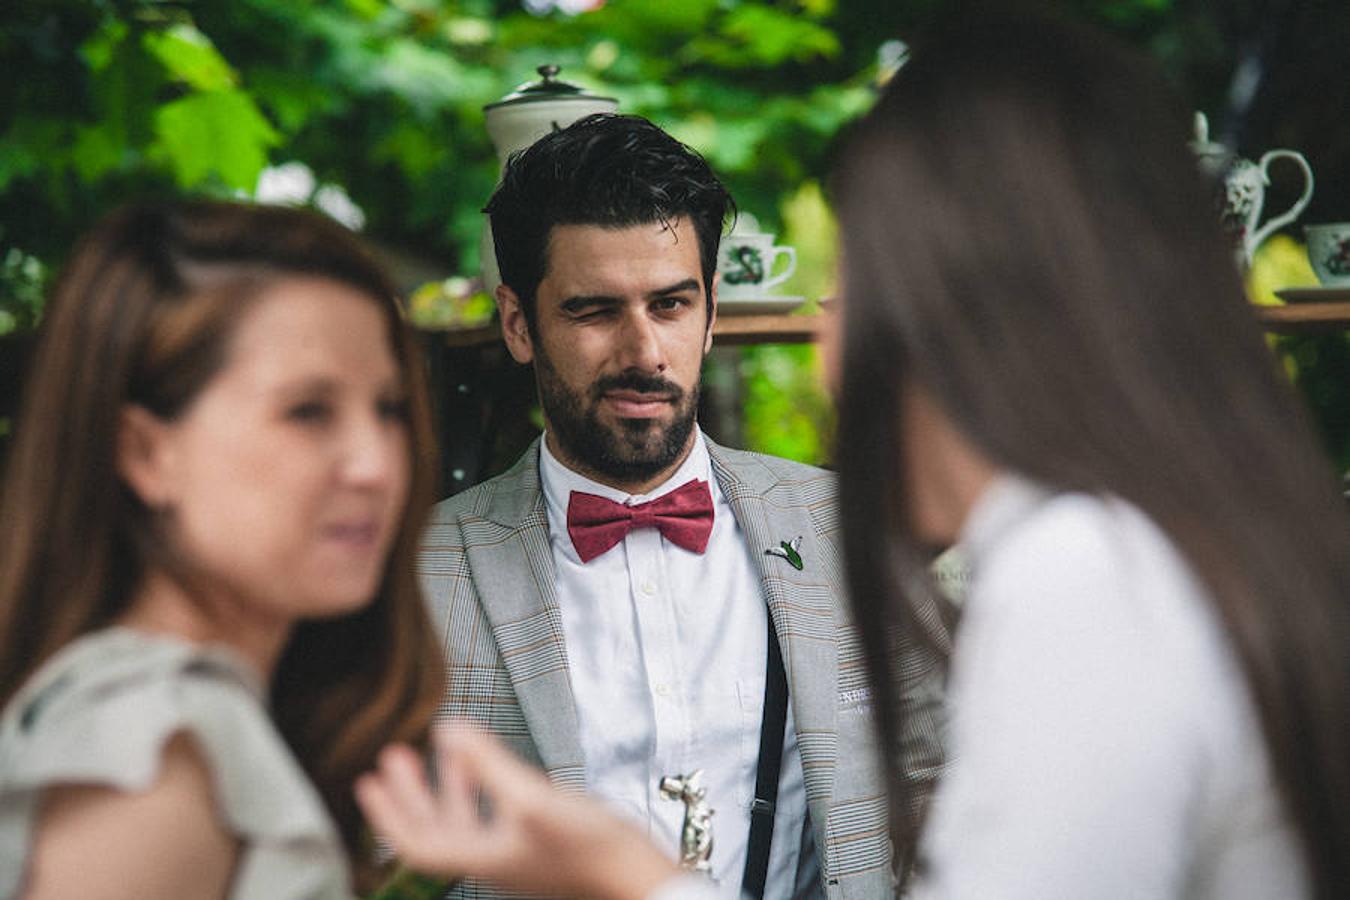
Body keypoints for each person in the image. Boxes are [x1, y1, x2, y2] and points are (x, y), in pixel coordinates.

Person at [360, 8, 1350, 900]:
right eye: (592, 309)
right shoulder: (1161, 550)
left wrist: (622, 881)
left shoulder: (1081, 576)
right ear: (519, 322)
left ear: (959, 305)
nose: (825, 346)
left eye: (853, 288)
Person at [417, 113, 946, 898]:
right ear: (518, 323)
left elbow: (941, 790)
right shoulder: (423, 569)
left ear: (711, 315)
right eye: (595, 311)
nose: (643, 352)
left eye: (670, 305)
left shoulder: (848, 531)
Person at [0, 199, 445, 898]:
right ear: (146, 452)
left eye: (387, 408)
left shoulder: (194, 720)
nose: (377, 464)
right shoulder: (153, 754)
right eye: (308, 411)